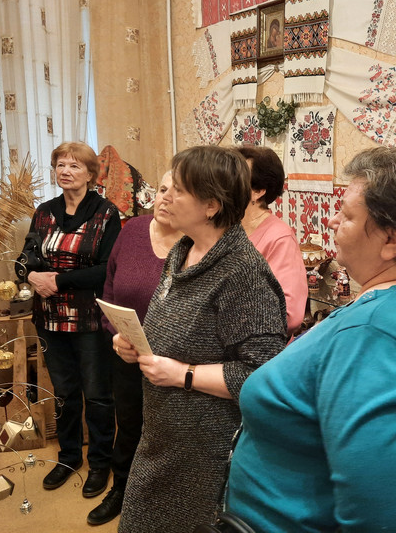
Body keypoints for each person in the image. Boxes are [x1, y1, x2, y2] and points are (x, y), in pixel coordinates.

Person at [226, 147, 396, 532]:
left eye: (347, 215)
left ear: (391, 240)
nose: (333, 220)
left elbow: (384, 518)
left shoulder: (372, 335)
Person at [114, 146, 287, 533]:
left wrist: (183, 375)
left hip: (206, 452)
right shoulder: (183, 251)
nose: (165, 197)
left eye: (179, 190)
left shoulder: (243, 273)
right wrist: (135, 346)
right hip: (163, 436)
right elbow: (175, 332)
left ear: (211, 205)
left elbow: (262, 375)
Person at [25, 141, 121, 499]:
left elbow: (106, 269)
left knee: (97, 395)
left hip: (90, 319)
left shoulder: (106, 213)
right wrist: (30, 276)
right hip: (48, 317)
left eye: (75, 166)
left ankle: (100, 463)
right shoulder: (44, 212)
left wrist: (58, 281)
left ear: (91, 174)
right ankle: (68, 458)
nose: (65, 171)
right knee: (63, 393)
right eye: (60, 165)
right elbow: (27, 257)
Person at [86, 171, 181, 526]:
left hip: (175, 362)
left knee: (167, 433)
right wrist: (115, 335)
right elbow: (110, 287)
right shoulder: (134, 230)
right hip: (128, 354)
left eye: (176, 192)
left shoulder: (195, 243)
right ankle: (121, 491)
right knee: (127, 425)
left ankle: (162, 502)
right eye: (162, 189)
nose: (165, 197)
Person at [236, 146, 307, 334]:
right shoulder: (225, 228)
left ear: (258, 191)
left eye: (236, 177)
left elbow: (290, 316)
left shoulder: (280, 237)